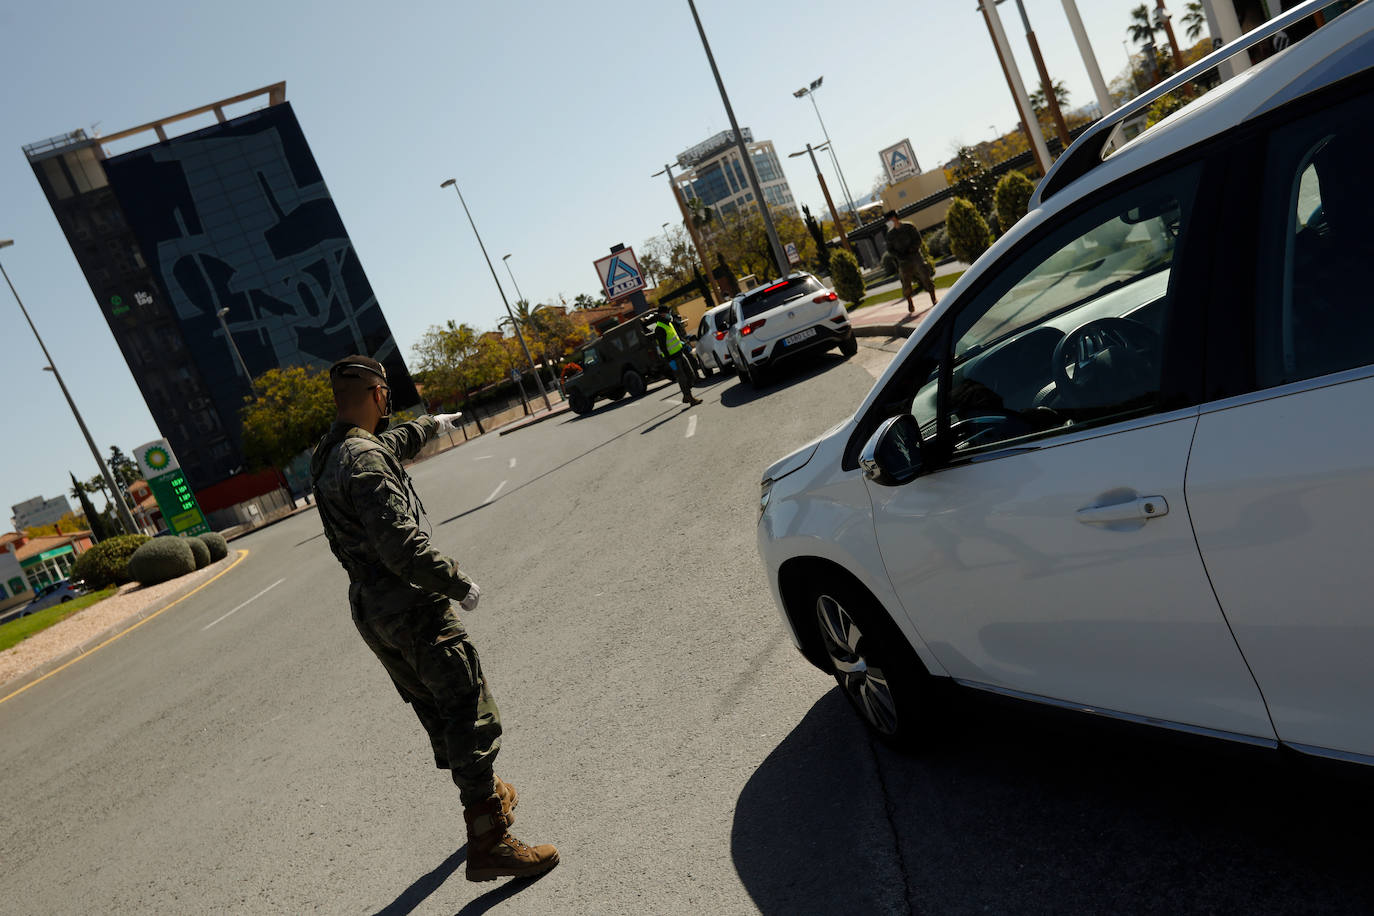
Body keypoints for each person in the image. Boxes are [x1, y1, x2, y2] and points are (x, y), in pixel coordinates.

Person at [309, 355, 558, 883]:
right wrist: (456, 581)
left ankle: (486, 796)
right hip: (412, 606)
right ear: (379, 394)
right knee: (468, 710)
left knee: (440, 711)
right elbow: (401, 545)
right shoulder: (366, 461)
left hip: (372, 611)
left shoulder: (330, 454)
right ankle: (490, 838)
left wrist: (427, 427)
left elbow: (384, 446)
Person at [884, 210, 937, 314]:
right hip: (903, 260)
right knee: (905, 282)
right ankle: (910, 302)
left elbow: (918, 240)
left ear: (895, 218)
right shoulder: (890, 234)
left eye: (890, 218)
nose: (889, 221)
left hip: (914, 256)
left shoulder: (909, 227)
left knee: (924, 275)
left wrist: (911, 249)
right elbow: (890, 249)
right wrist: (899, 255)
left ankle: (933, 298)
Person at [654, 304, 702, 406]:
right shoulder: (659, 328)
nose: (669, 314)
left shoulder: (668, 323)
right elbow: (662, 346)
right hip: (673, 358)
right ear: (662, 314)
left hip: (680, 353)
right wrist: (669, 360)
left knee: (691, 375)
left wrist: (683, 345)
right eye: (667, 312)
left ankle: (686, 395)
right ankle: (690, 397)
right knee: (682, 378)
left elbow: (674, 338)